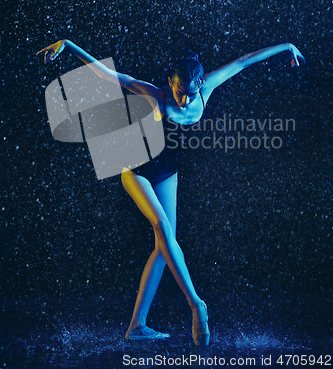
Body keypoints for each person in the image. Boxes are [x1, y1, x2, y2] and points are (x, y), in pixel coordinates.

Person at [36, 39, 304, 345]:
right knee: (163, 229)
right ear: (169, 83)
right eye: (180, 93)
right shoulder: (155, 94)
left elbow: (243, 61)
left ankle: (137, 325)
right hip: (136, 171)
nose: (186, 102)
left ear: (200, 85)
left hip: (167, 173)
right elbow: (111, 77)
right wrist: (69, 46)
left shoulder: (204, 90)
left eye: (191, 94)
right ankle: (196, 304)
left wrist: (286, 47)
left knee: (165, 247)